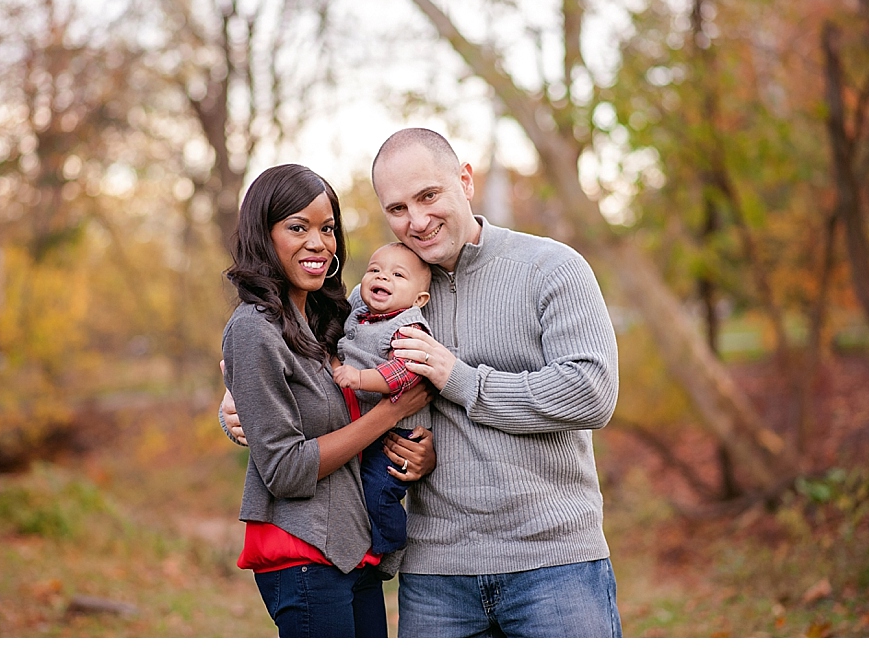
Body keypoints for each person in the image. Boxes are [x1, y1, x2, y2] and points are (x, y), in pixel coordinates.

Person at [221, 129, 622, 637]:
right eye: (397, 208)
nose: (417, 220)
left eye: (428, 196)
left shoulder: (550, 268)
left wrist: (460, 379)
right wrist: (236, 406)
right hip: (435, 573)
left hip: (552, 563)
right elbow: (310, 370)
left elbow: (591, 393)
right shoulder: (382, 290)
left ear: (465, 180)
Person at [219, 163, 434, 638]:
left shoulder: (330, 322)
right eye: (298, 227)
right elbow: (285, 469)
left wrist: (417, 447)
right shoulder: (255, 328)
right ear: (263, 234)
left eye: (328, 229)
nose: (318, 243)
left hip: (351, 548)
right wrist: (390, 413)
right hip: (302, 554)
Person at [332, 241, 434, 555]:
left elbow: (404, 372)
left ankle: (389, 545)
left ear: (419, 299)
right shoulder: (358, 315)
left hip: (399, 434)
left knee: (378, 490)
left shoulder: (408, 327)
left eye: (397, 275)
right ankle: (367, 543)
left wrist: (359, 378)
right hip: (368, 426)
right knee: (357, 489)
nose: (382, 277)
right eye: (374, 270)